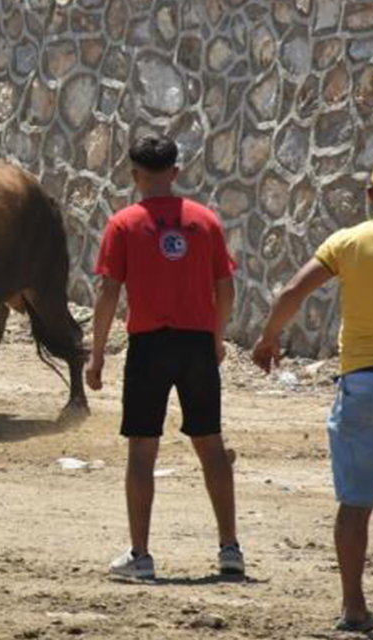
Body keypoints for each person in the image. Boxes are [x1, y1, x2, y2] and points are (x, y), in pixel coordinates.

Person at [252, 152, 373, 633]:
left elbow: (293, 292)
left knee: (356, 505)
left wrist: (268, 339)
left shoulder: (348, 242)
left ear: (372, 197)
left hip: (360, 384)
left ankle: (354, 608)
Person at [87, 134, 243, 580]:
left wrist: (96, 355)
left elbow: (109, 292)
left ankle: (141, 555)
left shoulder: (123, 224)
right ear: (175, 172)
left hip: (149, 345)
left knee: (142, 450)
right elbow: (226, 287)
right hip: (195, 343)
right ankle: (230, 548)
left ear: (134, 176)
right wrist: (216, 337)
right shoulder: (205, 221)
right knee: (210, 444)